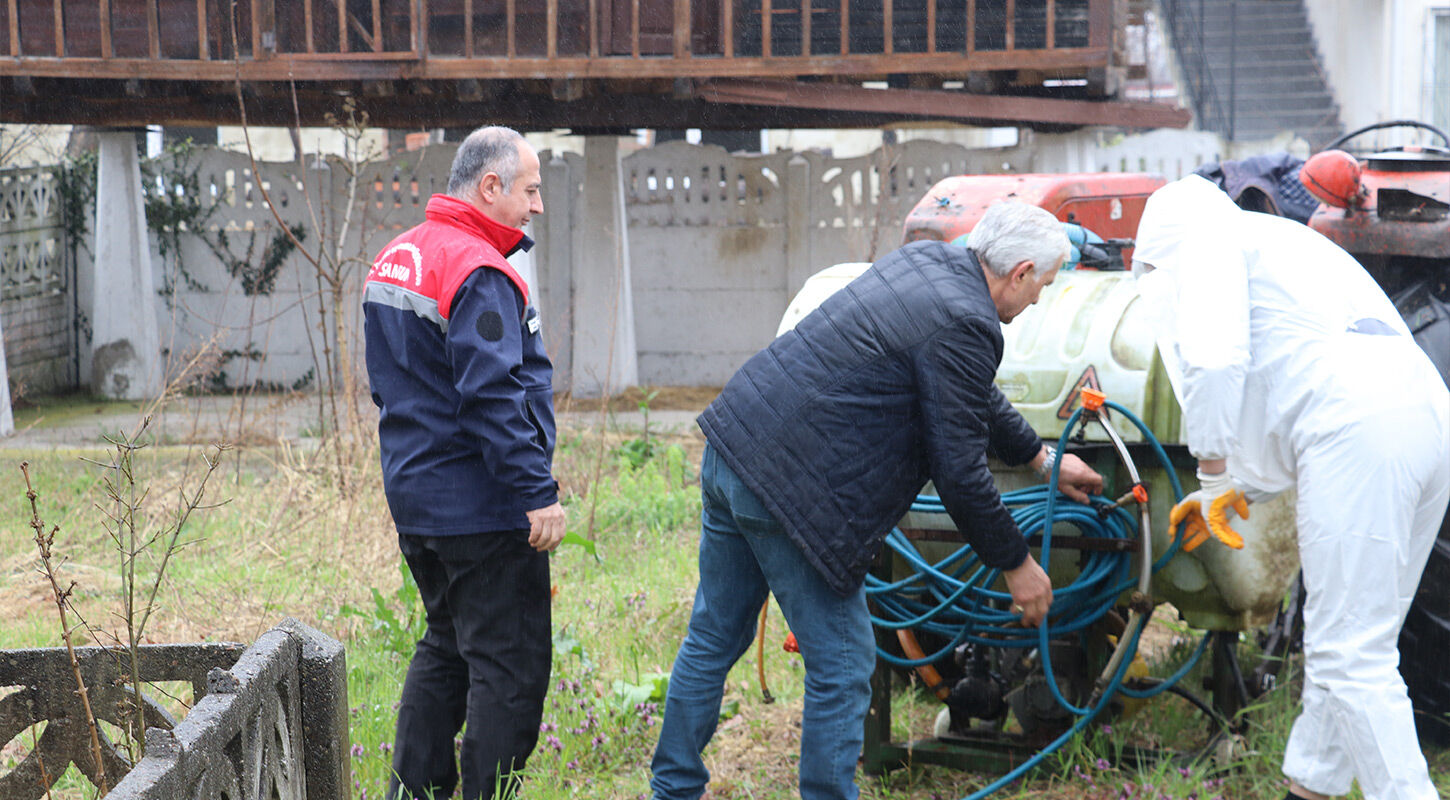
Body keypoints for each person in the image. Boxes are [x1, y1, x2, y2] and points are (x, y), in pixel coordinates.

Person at [649, 201, 1106, 800]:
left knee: (713, 635)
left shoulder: (928, 262)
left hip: (735, 443)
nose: (1039, 300)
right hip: (793, 491)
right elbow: (960, 473)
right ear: (1019, 272)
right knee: (842, 668)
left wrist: (1040, 459)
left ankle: (671, 789)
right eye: (1042, 285)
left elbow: (973, 397)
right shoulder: (970, 322)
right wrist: (1017, 564)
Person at [1131, 175, 1450, 800]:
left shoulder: (1204, 239)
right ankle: (1309, 788)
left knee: (1350, 654)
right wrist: (1239, 492)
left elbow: (1219, 361)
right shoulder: (1277, 243)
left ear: (1158, 249)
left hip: (1359, 431)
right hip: (1424, 414)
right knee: (1358, 638)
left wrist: (1213, 474)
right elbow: (1288, 377)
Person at [363, 125, 566, 800]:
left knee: (446, 647)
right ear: (490, 186)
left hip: (417, 500)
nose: (536, 206)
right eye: (530, 190)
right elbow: (492, 395)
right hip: (483, 509)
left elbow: (393, 383)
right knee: (509, 670)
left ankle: (412, 793)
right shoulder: (478, 269)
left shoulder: (397, 258)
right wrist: (537, 491)